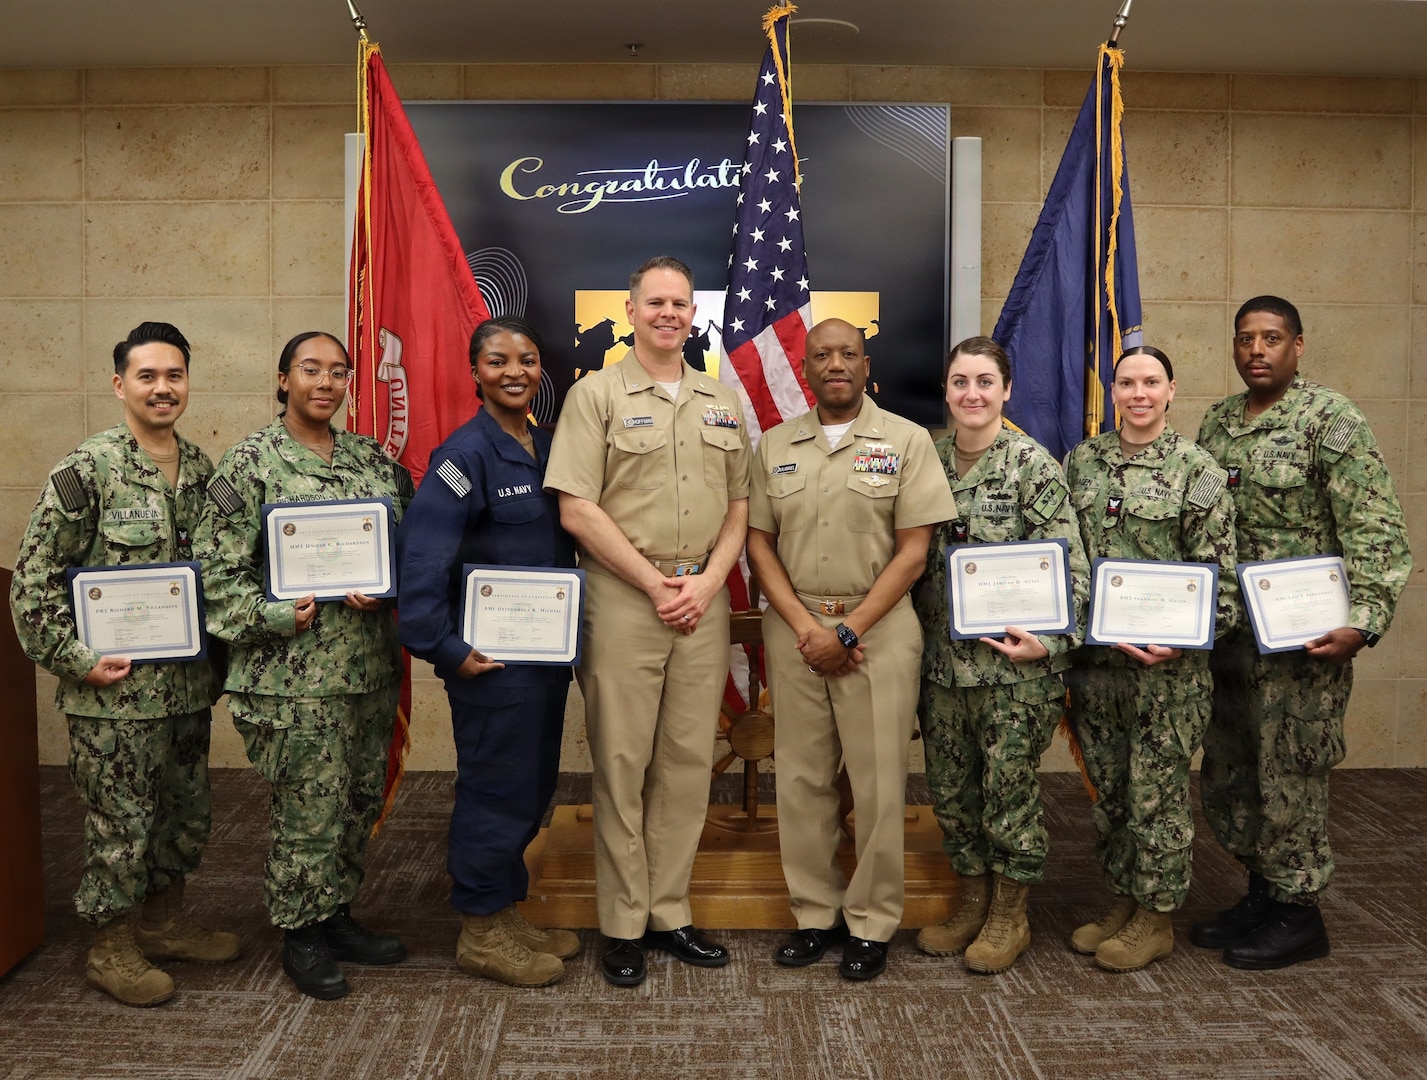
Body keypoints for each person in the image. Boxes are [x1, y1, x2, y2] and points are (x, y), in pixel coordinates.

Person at [10, 321, 238, 1007]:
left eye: (174, 375)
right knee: (120, 824)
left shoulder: (203, 471)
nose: (163, 388)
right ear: (120, 385)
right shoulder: (86, 472)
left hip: (186, 690)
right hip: (113, 696)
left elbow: (222, 572)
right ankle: (110, 949)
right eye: (148, 376)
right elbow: (32, 584)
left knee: (183, 815)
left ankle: (162, 924)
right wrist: (76, 660)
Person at [544, 256, 750, 987]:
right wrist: (654, 583)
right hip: (626, 597)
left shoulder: (720, 398)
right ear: (630, 311)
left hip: (702, 598)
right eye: (654, 302)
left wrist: (709, 582)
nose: (668, 313)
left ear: (694, 314)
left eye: (679, 303)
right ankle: (624, 923)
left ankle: (670, 912)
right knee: (623, 763)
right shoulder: (595, 395)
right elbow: (576, 509)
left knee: (688, 763)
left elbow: (739, 506)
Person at [1193, 296, 1411, 969]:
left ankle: (1298, 913)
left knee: (1291, 771)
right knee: (1232, 770)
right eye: (1245, 339)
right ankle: (1262, 891)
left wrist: (1364, 622)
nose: (1256, 350)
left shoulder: (1330, 420)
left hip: (1303, 643)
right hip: (1231, 639)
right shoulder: (1218, 423)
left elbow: (1375, 525)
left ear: (1298, 346)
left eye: (1271, 338)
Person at [194, 331, 411, 1001]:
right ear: (283, 378)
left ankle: (335, 914)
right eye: (311, 370)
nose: (326, 383)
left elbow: (409, 551)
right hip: (291, 678)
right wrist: (277, 613)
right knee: (309, 809)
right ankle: (301, 932)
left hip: (368, 670)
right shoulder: (248, 464)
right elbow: (215, 574)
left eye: (338, 372)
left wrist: (388, 587)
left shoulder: (372, 461)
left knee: (355, 801)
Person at [746, 318, 957, 982]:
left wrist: (847, 632)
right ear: (806, 368)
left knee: (877, 783)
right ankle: (816, 914)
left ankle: (870, 921)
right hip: (796, 629)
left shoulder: (906, 441)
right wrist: (808, 628)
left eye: (848, 354)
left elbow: (914, 552)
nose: (835, 364)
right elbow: (757, 545)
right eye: (822, 355)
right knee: (802, 780)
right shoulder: (774, 444)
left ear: (867, 366)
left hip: (878, 628)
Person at [396, 316, 580, 988]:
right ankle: (479, 930)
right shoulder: (462, 457)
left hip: (545, 659)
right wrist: (447, 650)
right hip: (490, 664)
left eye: (526, 360)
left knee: (531, 785)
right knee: (494, 789)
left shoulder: (549, 447)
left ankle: (503, 910)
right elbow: (421, 564)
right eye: (497, 361)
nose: (514, 372)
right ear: (475, 371)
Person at [912, 336, 1090, 974]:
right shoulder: (926, 460)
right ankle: (972, 902)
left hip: (1013, 675)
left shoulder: (1031, 466)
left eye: (985, 382)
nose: (972, 394)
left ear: (1007, 390)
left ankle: (1010, 915)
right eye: (960, 381)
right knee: (952, 794)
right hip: (941, 670)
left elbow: (1073, 571)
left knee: (1008, 793)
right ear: (946, 390)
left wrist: (1051, 642)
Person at [1064, 345, 1239, 973]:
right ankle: (1124, 901)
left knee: (1156, 796)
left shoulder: (1198, 470)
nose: (1138, 394)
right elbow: (1066, 559)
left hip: (1167, 674)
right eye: (1126, 382)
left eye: (1151, 382)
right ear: (1112, 392)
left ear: (1171, 391)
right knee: (1110, 794)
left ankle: (1157, 918)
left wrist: (1183, 639)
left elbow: (1222, 583)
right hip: (1099, 668)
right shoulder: (1082, 462)